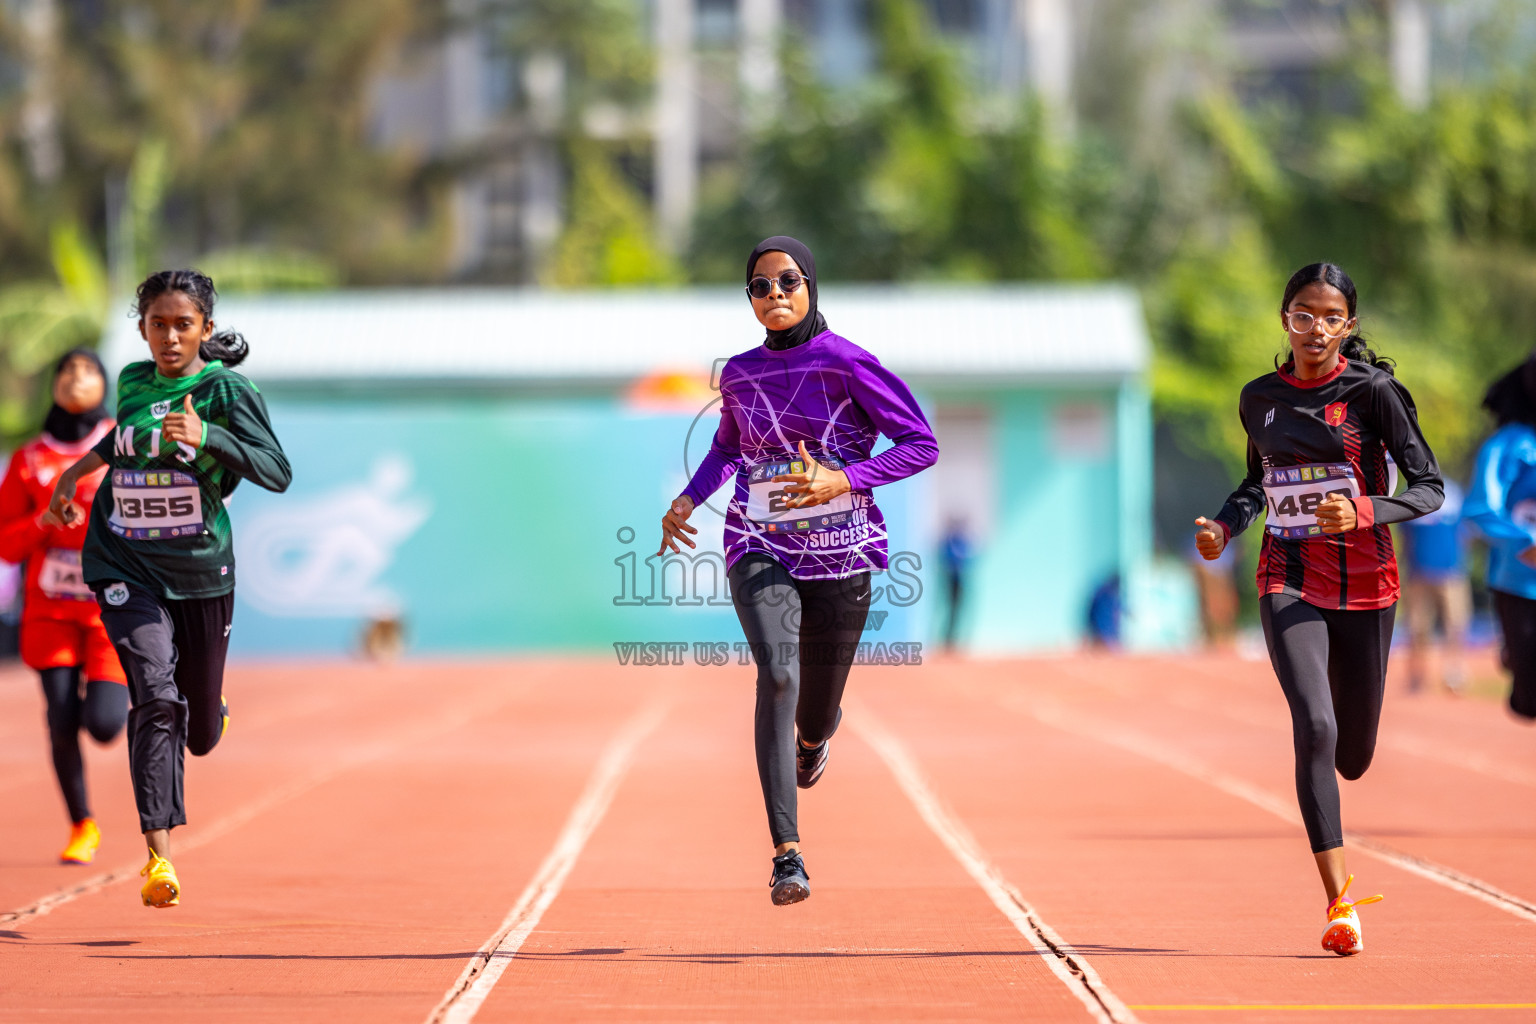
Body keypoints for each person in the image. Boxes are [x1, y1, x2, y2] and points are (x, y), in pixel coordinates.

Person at [659, 236, 938, 906]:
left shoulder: (847, 362)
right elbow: (729, 445)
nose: (775, 294)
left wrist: (844, 478)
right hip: (758, 542)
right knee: (777, 675)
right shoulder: (739, 373)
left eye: (787, 281)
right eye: (759, 286)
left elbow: (920, 444)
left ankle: (814, 740)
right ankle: (788, 855)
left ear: (811, 285)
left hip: (844, 553)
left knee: (813, 708)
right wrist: (688, 498)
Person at [1193, 262, 1443, 956]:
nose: (1316, 329)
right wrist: (1223, 526)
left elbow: (1428, 489)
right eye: (1303, 315)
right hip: (1289, 577)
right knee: (1315, 724)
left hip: (1367, 584)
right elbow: (1257, 482)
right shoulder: (1260, 398)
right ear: (1285, 319)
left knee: (1355, 755)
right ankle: (1340, 902)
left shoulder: (1376, 394)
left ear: (1349, 326)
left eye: (1331, 318)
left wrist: (1360, 510)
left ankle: (1342, 802)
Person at [43, 270, 292, 908]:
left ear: (205, 330)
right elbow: (119, 443)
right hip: (124, 562)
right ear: (143, 329)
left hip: (202, 572)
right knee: (154, 695)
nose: (170, 337)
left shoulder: (225, 390)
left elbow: (277, 470)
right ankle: (159, 859)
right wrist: (73, 475)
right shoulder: (130, 381)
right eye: (159, 324)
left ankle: (210, 709)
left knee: (199, 731)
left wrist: (207, 435)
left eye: (184, 325)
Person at [0, 349, 127, 864]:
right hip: (49, 612)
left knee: (102, 724)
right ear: (53, 386)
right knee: (58, 716)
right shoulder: (29, 460)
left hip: (107, 610)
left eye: (89, 371)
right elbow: (7, 546)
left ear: (104, 384)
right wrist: (46, 522)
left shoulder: (125, 441)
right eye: (67, 372)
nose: (77, 379)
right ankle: (82, 825)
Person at [1463, 353, 1536, 721]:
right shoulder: (1509, 445)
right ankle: (1517, 668)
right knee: (1529, 702)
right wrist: (1526, 542)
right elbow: (1479, 507)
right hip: (1521, 584)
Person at [1401, 478, 1471, 694]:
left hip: (1451, 573)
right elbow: (1406, 537)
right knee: (1417, 629)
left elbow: (1465, 533)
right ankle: (1417, 679)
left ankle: (1454, 677)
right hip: (1418, 573)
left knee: (1456, 627)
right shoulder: (1411, 493)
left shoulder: (1454, 493)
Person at [939, 517, 970, 652]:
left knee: (957, 610)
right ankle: (948, 640)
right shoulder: (949, 542)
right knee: (951, 609)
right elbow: (948, 559)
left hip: (959, 580)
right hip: (951, 580)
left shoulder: (959, 541)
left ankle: (953, 639)